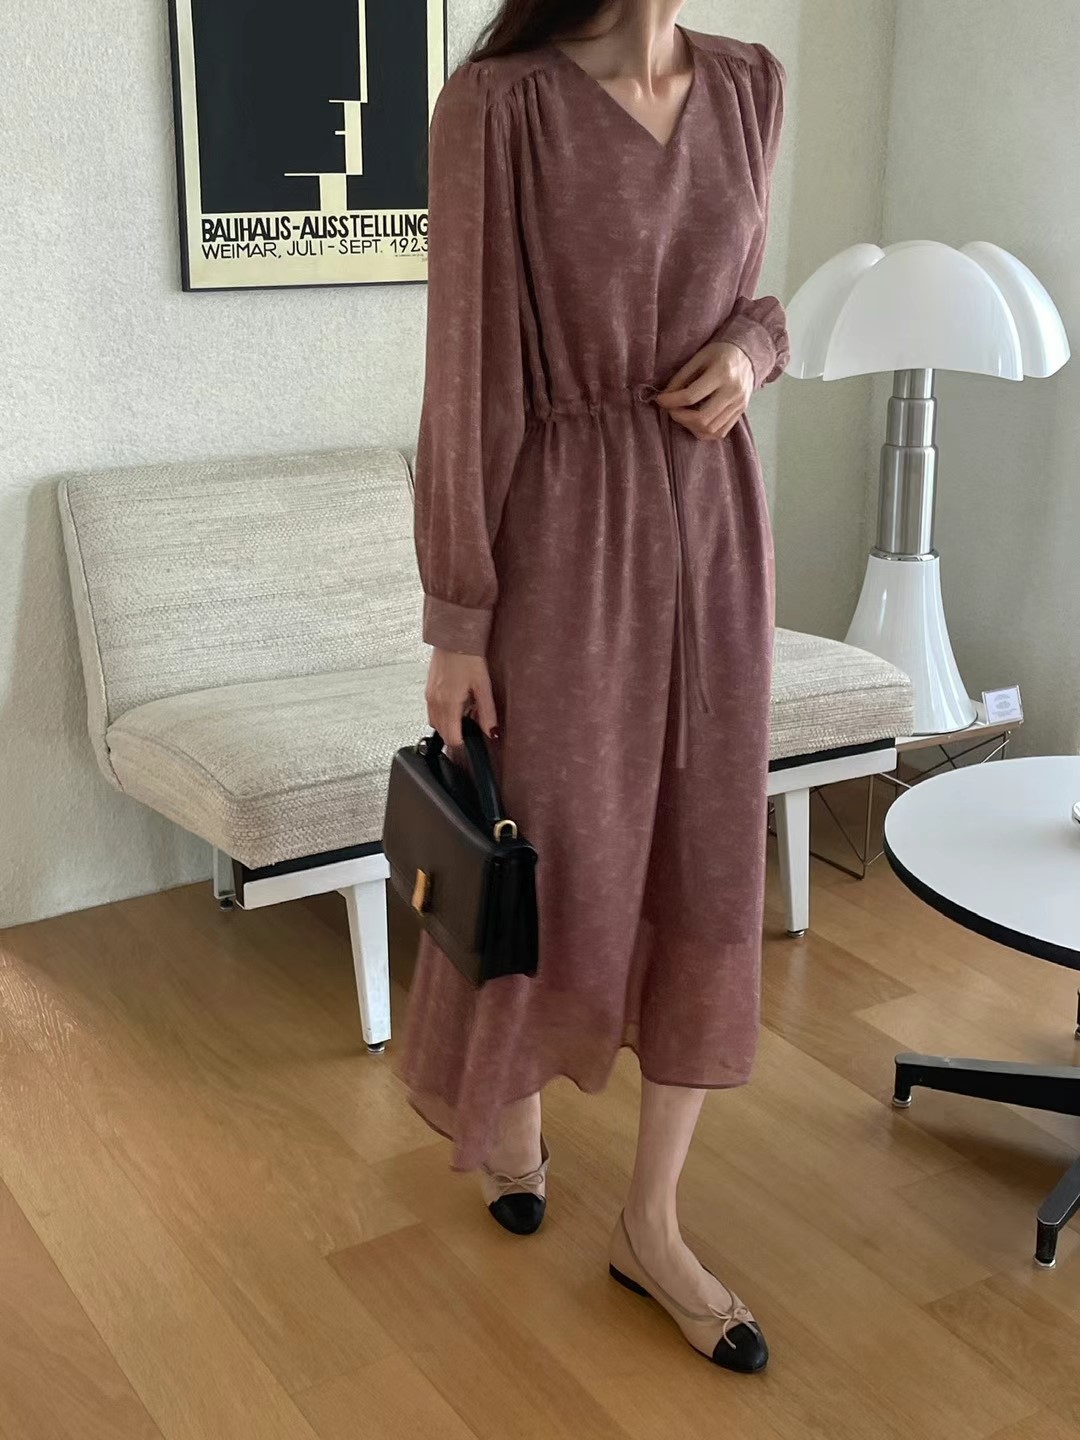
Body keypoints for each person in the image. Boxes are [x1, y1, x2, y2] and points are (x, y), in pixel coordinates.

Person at [400, 0, 789, 1375]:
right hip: (562, 540)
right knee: (551, 851)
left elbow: (759, 301)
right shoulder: (498, 107)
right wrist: (459, 616)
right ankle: (511, 1111)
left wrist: (752, 355)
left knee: (707, 859)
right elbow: (466, 376)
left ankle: (652, 1222)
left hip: (717, 532)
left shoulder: (750, 84)